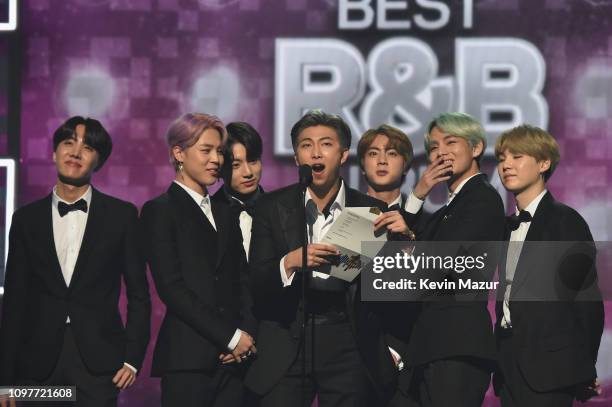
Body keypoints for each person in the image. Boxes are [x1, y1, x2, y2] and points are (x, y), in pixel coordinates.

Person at [244, 110, 397, 407]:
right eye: (305, 145)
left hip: (348, 340)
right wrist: (289, 263)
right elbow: (256, 281)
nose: (315, 153)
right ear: (295, 157)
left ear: (342, 155)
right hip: (287, 337)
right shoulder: (271, 207)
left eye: (326, 144)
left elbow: (387, 286)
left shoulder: (371, 209)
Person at [0, 116, 151, 407]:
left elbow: (139, 294)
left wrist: (132, 358)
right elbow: (15, 301)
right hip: (36, 365)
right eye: (68, 143)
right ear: (55, 152)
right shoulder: (26, 219)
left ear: (99, 160)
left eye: (87, 147)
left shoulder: (122, 216)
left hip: (98, 364)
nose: (75, 152)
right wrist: (5, 378)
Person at [139, 113, 257, 407]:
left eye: (219, 151)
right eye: (206, 150)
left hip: (235, 360)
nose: (216, 159)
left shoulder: (226, 211)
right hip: (188, 359)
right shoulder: (159, 211)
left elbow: (243, 280)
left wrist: (246, 336)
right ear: (179, 153)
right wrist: (230, 336)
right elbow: (172, 288)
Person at [493, 124, 604, 407]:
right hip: (509, 367)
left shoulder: (565, 221)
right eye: (502, 158)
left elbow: (586, 302)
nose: (506, 165)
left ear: (543, 163)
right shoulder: (506, 226)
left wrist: (582, 370)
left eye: (517, 157)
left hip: (550, 370)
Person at [400, 112, 506, 407]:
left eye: (450, 142)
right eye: (434, 147)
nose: (441, 152)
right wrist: (419, 193)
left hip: (456, 344)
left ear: (475, 148)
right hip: (434, 343)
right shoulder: (450, 206)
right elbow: (408, 237)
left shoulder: (481, 199)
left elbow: (437, 260)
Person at [212, 121, 264, 259]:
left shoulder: (280, 209)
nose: (248, 172)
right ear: (220, 168)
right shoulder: (208, 213)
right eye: (236, 165)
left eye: (253, 161)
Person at [357, 124, 414, 208]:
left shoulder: (421, 219)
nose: (382, 161)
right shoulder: (343, 215)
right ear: (363, 164)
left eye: (392, 153)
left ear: (405, 165)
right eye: (373, 153)